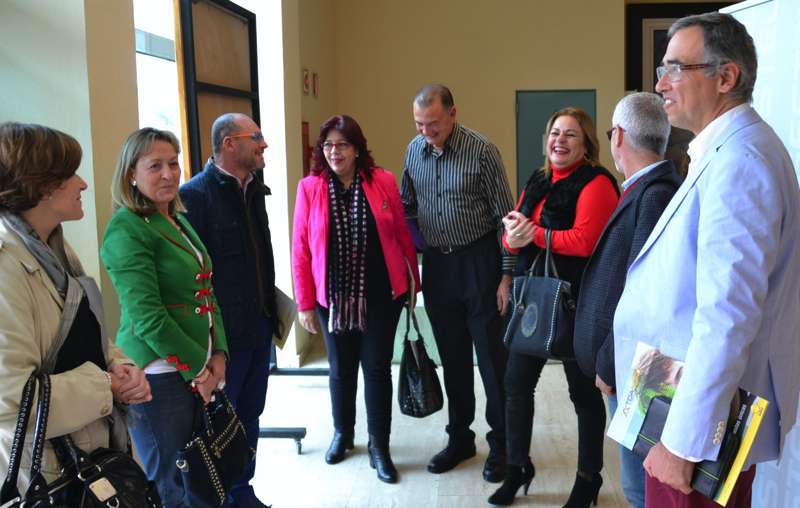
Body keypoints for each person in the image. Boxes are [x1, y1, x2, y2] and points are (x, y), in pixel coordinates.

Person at [613, 12, 800, 508]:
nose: (660, 83)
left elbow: (728, 317)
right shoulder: (726, 150)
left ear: (726, 77)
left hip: (697, 427)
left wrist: (683, 443)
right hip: (675, 395)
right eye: (663, 68)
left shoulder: (741, 162)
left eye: (676, 68)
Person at [0, 122, 151, 493]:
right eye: (71, 174)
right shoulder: (6, 266)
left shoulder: (54, 247)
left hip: (93, 448)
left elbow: (83, 332)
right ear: (41, 185)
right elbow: (12, 402)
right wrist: (106, 385)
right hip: (48, 473)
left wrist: (120, 366)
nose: (83, 184)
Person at [491, 107, 619, 507]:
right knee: (515, 385)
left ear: (587, 144)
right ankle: (517, 467)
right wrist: (513, 238)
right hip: (533, 299)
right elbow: (512, 237)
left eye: (570, 135)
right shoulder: (538, 179)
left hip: (577, 303)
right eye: (554, 133)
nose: (559, 141)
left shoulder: (597, 182)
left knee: (582, 395)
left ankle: (588, 478)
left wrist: (535, 234)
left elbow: (585, 241)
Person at [101, 127, 228, 508]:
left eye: (173, 163)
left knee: (202, 474)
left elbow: (206, 290)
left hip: (194, 366)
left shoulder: (176, 219)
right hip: (159, 375)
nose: (169, 174)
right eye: (155, 166)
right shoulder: (126, 228)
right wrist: (200, 368)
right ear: (131, 174)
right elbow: (148, 318)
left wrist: (219, 353)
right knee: (172, 485)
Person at [292, 115, 419, 484]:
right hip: (331, 298)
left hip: (380, 295)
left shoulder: (382, 181)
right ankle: (342, 433)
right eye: (329, 145)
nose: (335, 152)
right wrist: (304, 303)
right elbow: (301, 249)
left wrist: (413, 285)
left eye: (343, 145)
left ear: (357, 149)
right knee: (340, 369)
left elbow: (402, 234)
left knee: (376, 369)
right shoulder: (310, 188)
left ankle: (380, 446)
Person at [400, 84, 514, 482]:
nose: (426, 132)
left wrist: (506, 276)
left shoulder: (482, 151)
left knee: (492, 361)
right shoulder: (414, 151)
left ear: (452, 114)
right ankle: (460, 438)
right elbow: (407, 206)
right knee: (453, 358)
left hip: (480, 261)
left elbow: (505, 218)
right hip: (438, 266)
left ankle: (502, 444)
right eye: (419, 124)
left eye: (433, 123)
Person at [572, 92, 681, 508]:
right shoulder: (646, 188)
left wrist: (607, 362)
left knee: (640, 489)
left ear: (617, 136)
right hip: (631, 363)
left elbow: (643, 296)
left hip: (637, 368)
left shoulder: (654, 195)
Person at [180, 113, 276, 508]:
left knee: (250, 416)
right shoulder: (194, 197)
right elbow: (194, 279)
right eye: (256, 137)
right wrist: (209, 345)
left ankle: (242, 489)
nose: (264, 144)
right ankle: (222, 498)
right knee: (221, 423)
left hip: (259, 328)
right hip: (224, 340)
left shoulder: (254, 189)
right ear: (229, 144)